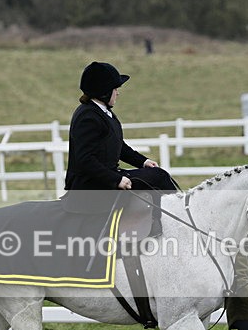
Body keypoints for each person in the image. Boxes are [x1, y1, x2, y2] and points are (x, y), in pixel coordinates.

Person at [64, 61, 176, 235]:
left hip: (106, 178)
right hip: (91, 186)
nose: (117, 93)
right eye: (115, 89)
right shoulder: (87, 116)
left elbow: (119, 146)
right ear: (104, 91)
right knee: (158, 177)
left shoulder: (104, 113)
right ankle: (162, 225)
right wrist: (115, 179)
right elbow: (84, 160)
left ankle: (164, 220)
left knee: (159, 174)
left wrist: (143, 161)